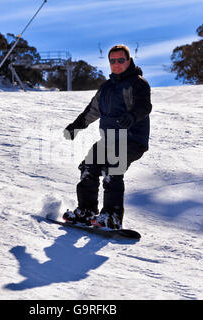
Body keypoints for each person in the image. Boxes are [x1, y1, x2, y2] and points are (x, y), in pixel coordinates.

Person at [62, 44, 152, 229]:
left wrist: (132, 116)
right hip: (109, 139)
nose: (116, 64)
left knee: (113, 166)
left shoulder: (138, 83)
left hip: (132, 138)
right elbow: (92, 110)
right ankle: (86, 211)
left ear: (129, 61)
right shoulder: (106, 88)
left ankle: (112, 215)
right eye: (113, 61)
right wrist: (76, 126)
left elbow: (144, 105)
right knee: (89, 166)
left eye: (121, 60)